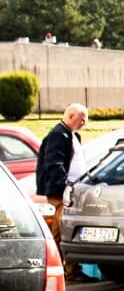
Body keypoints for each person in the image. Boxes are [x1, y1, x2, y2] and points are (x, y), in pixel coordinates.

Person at [35, 103, 86, 248]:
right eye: (82, 119)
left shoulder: (71, 134)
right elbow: (54, 164)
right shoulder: (58, 135)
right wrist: (65, 186)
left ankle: (61, 260)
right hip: (61, 193)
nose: (84, 123)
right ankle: (59, 261)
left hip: (69, 191)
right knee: (61, 231)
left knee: (60, 231)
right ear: (71, 116)